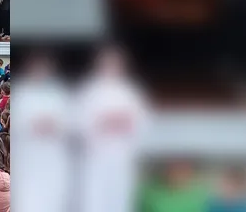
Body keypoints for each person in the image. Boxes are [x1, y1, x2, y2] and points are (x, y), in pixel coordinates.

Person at [78, 45, 151, 212]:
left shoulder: (131, 92)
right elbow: (79, 122)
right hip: (96, 156)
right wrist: (104, 121)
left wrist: (124, 122)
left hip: (123, 156)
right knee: (95, 198)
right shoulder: (90, 90)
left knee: (121, 196)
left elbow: (144, 121)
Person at [17, 52, 71, 212]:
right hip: (32, 152)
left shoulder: (60, 95)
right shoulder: (24, 94)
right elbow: (20, 121)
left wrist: (53, 125)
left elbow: (71, 120)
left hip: (54, 152)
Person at [138, 160, 208, 212]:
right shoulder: (149, 194)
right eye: (175, 168)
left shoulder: (198, 196)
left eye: (183, 169)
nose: (179, 174)